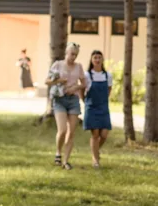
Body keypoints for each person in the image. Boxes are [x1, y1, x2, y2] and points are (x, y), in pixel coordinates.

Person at [46, 42, 90, 170]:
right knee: (62, 130)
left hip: (73, 101)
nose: (73, 57)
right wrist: (60, 81)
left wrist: (76, 87)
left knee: (71, 132)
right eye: (72, 54)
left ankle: (66, 161)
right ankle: (58, 152)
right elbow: (47, 81)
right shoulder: (58, 64)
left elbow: (84, 83)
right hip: (60, 99)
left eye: (75, 55)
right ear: (66, 52)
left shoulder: (79, 67)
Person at [83, 50, 112, 169]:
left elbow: (109, 89)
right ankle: (95, 160)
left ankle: (95, 151)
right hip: (91, 107)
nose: (97, 60)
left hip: (103, 107)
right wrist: (85, 101)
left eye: (99, 57)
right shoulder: (87, 75)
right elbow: (82, 89)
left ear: (102, 59)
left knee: (104, 135)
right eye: (95, 57)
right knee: (95, 134)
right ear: (91, 60)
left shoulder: (107, 75)